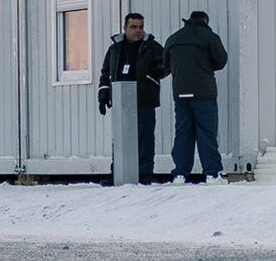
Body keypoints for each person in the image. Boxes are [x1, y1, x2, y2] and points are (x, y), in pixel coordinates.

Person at [97, 12, 168, 181]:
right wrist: (103, 94)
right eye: (133, 27)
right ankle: (118, 173)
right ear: (125, 28)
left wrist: (153, 75)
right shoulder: (115, 49)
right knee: (121, 138)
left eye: (141, 27)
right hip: (121, 98)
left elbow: (166, 65)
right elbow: (105, 72)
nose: (138, 31)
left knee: (144, 138)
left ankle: (144, 173)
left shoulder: (152, 47)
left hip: (144, 98)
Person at [164, 10, 228, 183]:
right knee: (207, 133)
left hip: (180, 93)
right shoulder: (209, 37)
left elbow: (165, 64)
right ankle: (212, 173)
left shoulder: (173, 38)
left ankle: (179, 173)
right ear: (205, 21)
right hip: (204, 93)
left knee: (183, 133)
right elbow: (221, 61)